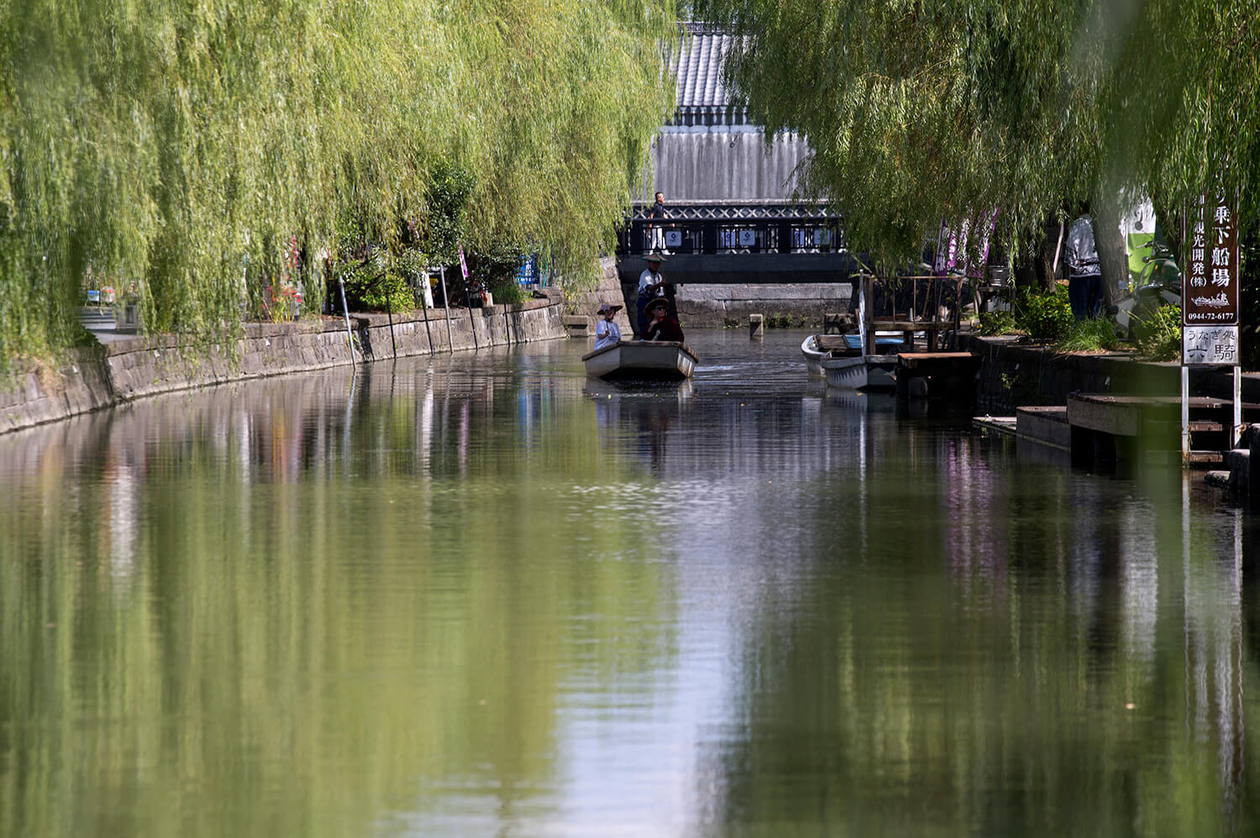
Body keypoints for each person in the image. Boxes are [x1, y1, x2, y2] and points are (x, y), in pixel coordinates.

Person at [1065, 211, 1102, 319]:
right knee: (1096, 311)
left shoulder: (1079, 223)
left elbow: (1073, 244)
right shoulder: (1101, 223)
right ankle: (1095, 333)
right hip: (1099, 272)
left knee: (1079, 311)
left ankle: (1080, 333)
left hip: (1081, 274)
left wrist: (1073, 265)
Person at [637, 252, 666, 336]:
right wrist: (659, 284)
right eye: (654, 263)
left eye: (657, 263)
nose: (656, 265)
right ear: (649, 263)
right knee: (645, 325)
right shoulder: (645, 275)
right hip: (645, 302)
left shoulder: (659, 276)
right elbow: (649, 288)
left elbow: (660, 293)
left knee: (657, 326)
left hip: (655, 303)